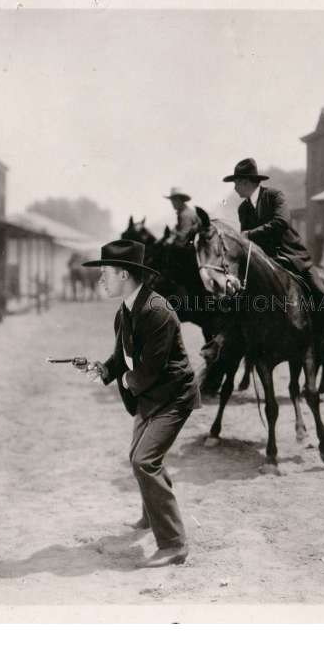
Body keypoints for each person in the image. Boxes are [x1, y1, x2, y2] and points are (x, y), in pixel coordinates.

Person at [79, 239, 200, 568]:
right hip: (151, 394)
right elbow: (123, 358)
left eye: (105, 272)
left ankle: (174, 544)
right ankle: (151, 518)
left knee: (144, 461)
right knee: (142, 457)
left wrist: (121, 380)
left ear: (123, 274)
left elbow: (147, 371)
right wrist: (103, 370)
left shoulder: (157, 310)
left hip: (174, 396)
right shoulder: (126, 310)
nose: (101, 279)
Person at [224, 157, 324, 361]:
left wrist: (249, 234)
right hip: (262, 261)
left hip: (290, 256)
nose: (235, 188)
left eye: (236, 183)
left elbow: (281, 222)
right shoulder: (243, 209)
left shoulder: (274, 196)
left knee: (321, 293)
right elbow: (245, 242)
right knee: (236, 296)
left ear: (246, 182)